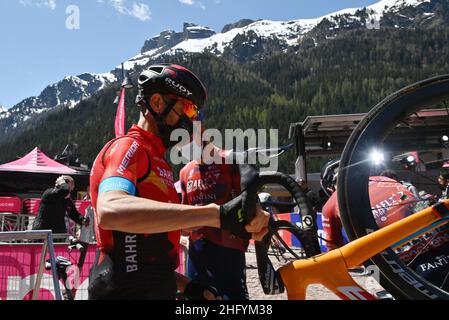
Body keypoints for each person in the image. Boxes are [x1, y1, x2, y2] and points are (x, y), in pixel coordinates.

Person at [88, 63, 269, 300]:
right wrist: (217, 214)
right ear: (156, 103)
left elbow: (145, 251)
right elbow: (111, 210)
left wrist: (187, 286)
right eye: (189, 108)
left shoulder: (159, 162)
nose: (192, 119)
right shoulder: (129, 147)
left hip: (152, 288)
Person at [180, 156, 249, 300]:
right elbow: (184, 224)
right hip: (197, 254)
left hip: (229, 251)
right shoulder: (184, 171)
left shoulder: (230, 163)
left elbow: (247, 204)